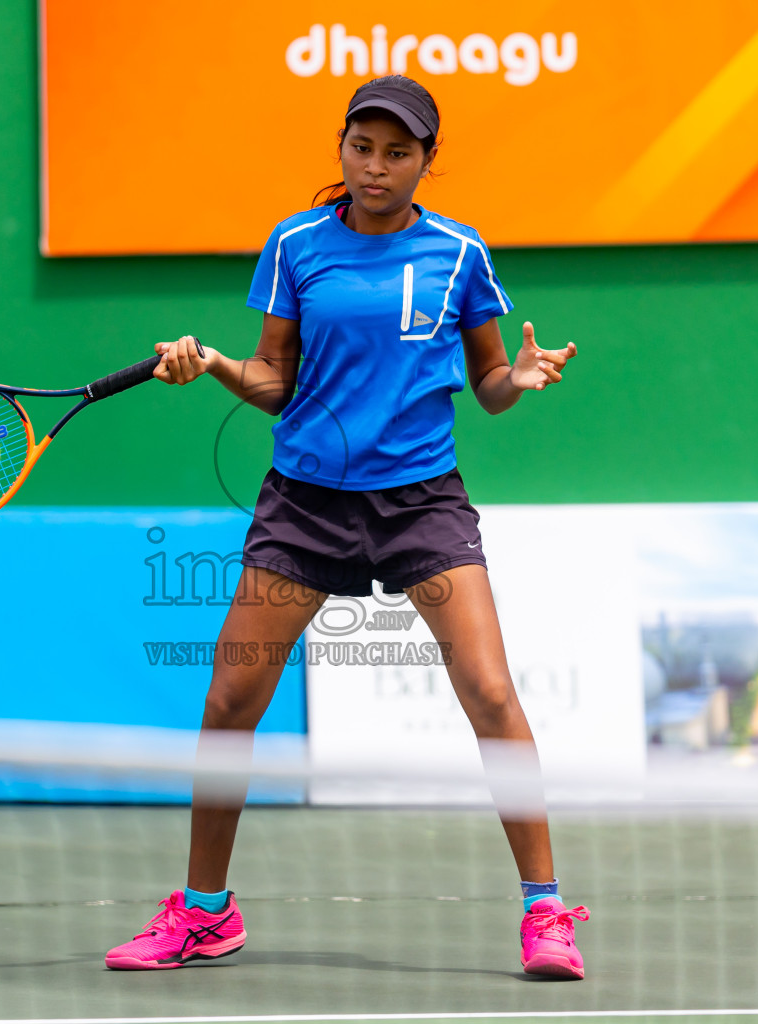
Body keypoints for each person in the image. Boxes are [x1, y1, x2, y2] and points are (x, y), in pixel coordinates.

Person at [104, 75, 586, 978]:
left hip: (420, 506)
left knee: (489, 692)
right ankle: (205, 913)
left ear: (426, 162)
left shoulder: (459, 254)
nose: (376, 167)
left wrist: (515, 382)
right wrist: (209, 363)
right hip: (306, 507)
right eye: (362, 148)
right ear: (343, 150)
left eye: (398, 152)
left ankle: (546, 913)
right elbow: (274, 383)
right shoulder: (295, 245)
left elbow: (485, 386)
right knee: (229, 703)